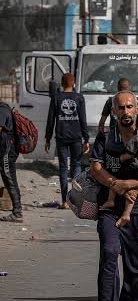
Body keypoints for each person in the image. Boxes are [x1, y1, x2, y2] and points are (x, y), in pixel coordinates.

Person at [87, 91, 138, 301]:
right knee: (109, 252)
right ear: (113, 111)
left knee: (136, 261)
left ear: (137, 109)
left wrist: (131, 185)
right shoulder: (106, 136)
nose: (126, 111)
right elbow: (96, 169)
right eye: (121, 107)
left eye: (130, 106)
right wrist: (115, 185)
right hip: (109, 207)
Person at [44, 73, 90, 209]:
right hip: (76, 137)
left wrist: (47, 139)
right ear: (74, 83)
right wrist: (86, 139)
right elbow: (83, 119)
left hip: (61, 137)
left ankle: (64, 201)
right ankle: (75, 200)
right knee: (76, 165)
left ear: (62, 83)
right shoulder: (79, 97)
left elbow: (50, 119)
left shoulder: (56, 97)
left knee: (63, 168)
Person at [0, 101, 22, 223]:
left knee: (10, 180)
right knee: (8, 180)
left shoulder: (2, 110)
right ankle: (17, 211)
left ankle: (17, 212)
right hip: (6, 150)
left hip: (7, 152)